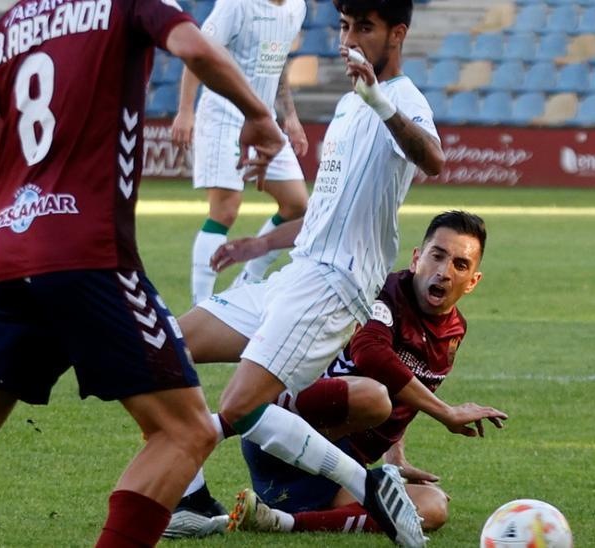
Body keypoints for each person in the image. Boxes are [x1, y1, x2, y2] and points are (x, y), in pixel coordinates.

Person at [0, 0, 286, 545]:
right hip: (90, 257)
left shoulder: (8, 27)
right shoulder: (126, 5)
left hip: (15, 261)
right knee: (187, 431)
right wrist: (258, 113)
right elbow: (192, 46)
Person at [165, 0, 446, 545]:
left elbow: (433, 160)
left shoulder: (403, 101)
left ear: (398, 34)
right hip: (296, 273)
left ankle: (366, 487)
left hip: (334, 287)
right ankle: (191, 498)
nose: (349, 40)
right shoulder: (345, 107)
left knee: (239, 406)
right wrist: (259, 243)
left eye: (364, 27)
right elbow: (322, 211)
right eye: (344, 26)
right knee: (166, 348)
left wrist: (378, 100)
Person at [226, 211, 507, 537]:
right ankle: (232, 420)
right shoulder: (382, 292)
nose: (444, 272)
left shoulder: (454, 332)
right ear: (417, 258)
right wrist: (446, 413)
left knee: (433, 506)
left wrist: (395, 456)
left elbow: (407, 391)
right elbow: (371, 354)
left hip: (337, 468)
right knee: (374, 397)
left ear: (472, 281)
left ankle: (280, 521)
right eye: (437, 255)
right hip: (281, 437)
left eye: (460, 265)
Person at [174, 0, 309, 304]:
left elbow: (278, 63)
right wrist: (185, 111)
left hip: (263, 121)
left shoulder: (296, 8)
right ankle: (202, 305)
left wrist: (289, 115)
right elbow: (198, 52)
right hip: (223, 116)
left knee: (297, 204)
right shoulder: (236, 5)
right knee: (225, 210)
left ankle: (247, 281)